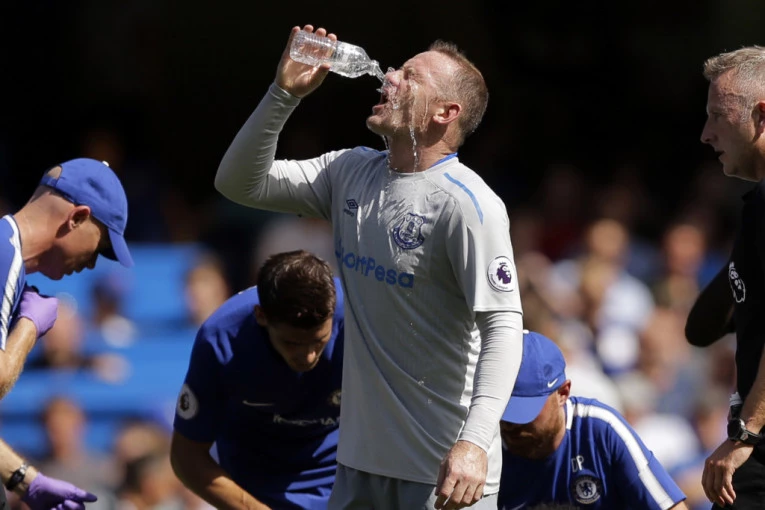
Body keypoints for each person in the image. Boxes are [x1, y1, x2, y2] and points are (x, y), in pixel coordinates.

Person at [214, 25, 524, 509]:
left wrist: (474, 444)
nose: (390, 77)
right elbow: (238, 183)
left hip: (443, 473)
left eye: (411, 76)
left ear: (445, 113)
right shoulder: (350, 171)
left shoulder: (468, 204)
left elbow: (503, 328)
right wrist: (283, 95)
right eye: (396, 69)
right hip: (358, 467)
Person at [0, 157, 132, 509]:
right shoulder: (3, 257)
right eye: (100, 248)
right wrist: (29, 328)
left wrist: (24, 479)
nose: (91, 263)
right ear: (77, 218)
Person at [170, 250, 344, 510]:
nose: (308, 357)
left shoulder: (361, 321)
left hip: (344, 481)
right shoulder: (220, 342)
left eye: (318, 341)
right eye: (292, 343)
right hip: (255, 487)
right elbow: (187, 457)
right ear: (261, 315)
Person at [685, 45, 765, 510]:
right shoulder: (756, 208)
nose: (706, 133)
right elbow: (700, 329)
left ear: (761, 115)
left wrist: (746, 433)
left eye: (718, 115)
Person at [498, 331, 688, 510]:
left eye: (524, 411)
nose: (510, 424)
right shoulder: (488, 444)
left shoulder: (599, 430)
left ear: (563, 393)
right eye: (503, 408)